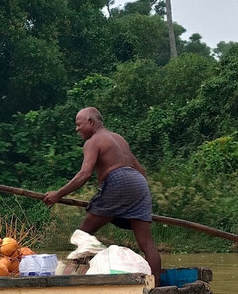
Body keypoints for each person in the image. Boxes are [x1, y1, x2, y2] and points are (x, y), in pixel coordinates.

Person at [43, 107, 161, 281]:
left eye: (79, 124)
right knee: (147, 244)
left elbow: (84, 174)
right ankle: (155, 288)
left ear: (91, 122)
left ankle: (76, 278)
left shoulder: (93, 141)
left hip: (119, 181)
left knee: (83, 234)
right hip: (139, 183)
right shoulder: (119, 139)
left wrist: (58, 194)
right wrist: (137, 201)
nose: (77, 129)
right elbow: (140, 171)